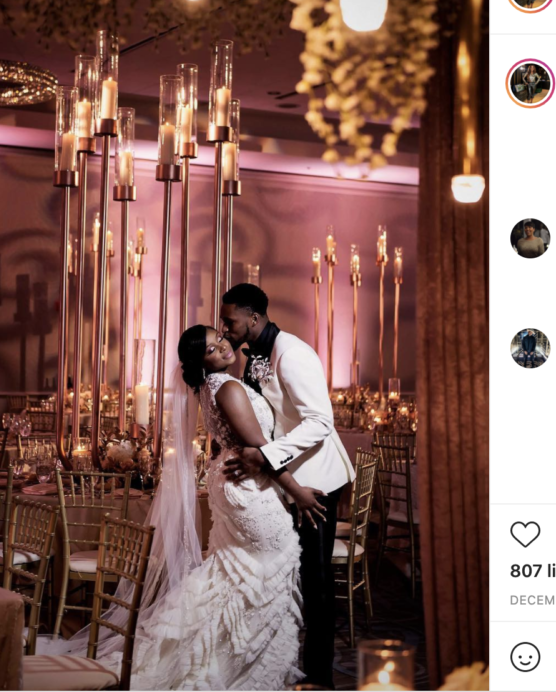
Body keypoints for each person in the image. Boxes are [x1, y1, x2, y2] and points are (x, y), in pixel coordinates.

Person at [40, 326, 325, 689]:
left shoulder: (211, 387)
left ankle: (219, 660)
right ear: (199, 361)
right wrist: (297, 492)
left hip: (237, 482)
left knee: (237, 573)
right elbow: (260, 450)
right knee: (268, 566)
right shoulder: (229, 388)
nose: (222, 347)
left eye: (219, 338)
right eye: (210, 348)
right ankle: (237, 669)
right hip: (247, 488)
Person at [219, 283, 356, 689]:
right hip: (288, 476)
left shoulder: (292, 354)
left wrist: (267, 456)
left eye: (230, 321)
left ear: (254, 318)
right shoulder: (253, 355)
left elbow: (320, 422)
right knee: (292, 577)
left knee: (316, 583)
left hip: (315, 483)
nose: (225, 329)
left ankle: (321, 677)